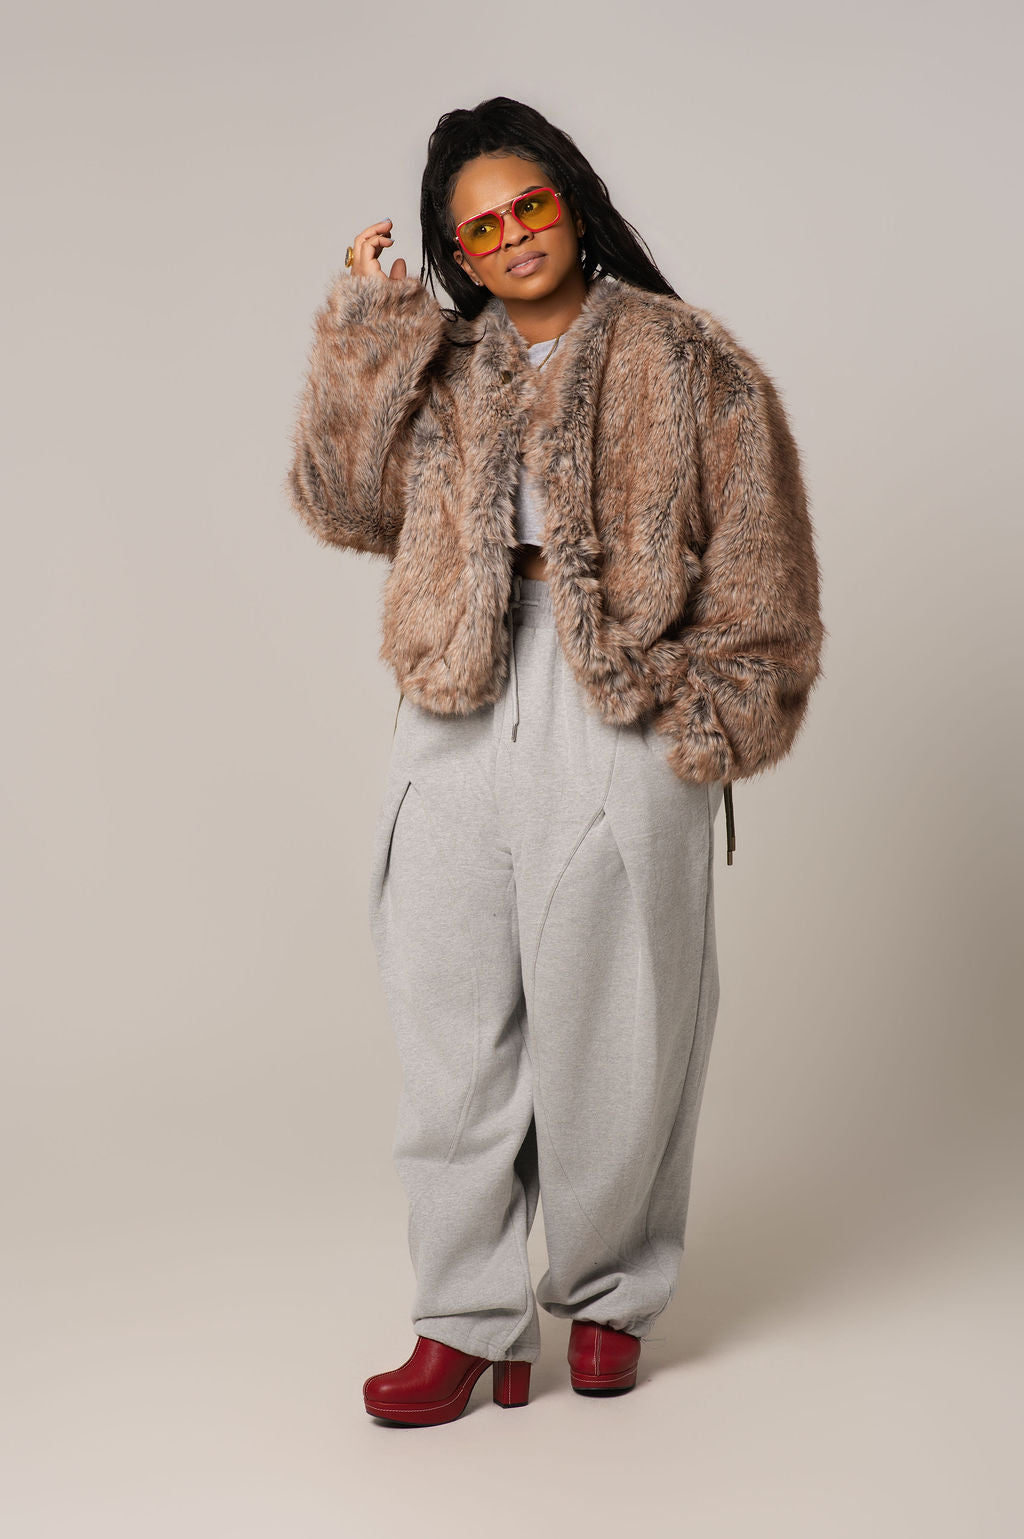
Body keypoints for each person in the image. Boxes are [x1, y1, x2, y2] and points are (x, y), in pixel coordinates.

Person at [286, 96, 825, 1427]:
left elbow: (761, 556)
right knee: (448, 1027)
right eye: (480, 228)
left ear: (572, 207)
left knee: (620, 1026)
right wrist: (365, 335)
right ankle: (464, 1324)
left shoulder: (688, 358)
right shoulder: (439, 363)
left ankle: (607, 1296)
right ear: (457, 253)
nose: (512, 237)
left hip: (622, 692)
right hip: (458, 691)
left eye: (529, 206)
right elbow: (343, 503)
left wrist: (708, 716)